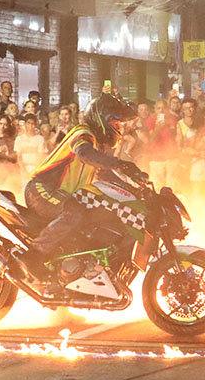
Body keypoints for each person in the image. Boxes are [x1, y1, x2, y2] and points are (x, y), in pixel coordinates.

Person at [9, 93, 145, 283]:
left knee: (91, 220)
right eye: (116, 123)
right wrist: (119, 163)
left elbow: (104, 175)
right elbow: (84, 153)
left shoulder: (97, 146)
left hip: (62, 196)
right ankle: (32, 256)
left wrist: (136, 190)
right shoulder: (83, 132)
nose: (119, 128)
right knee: (75, 212)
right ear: (102, 117)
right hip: (42, 189)